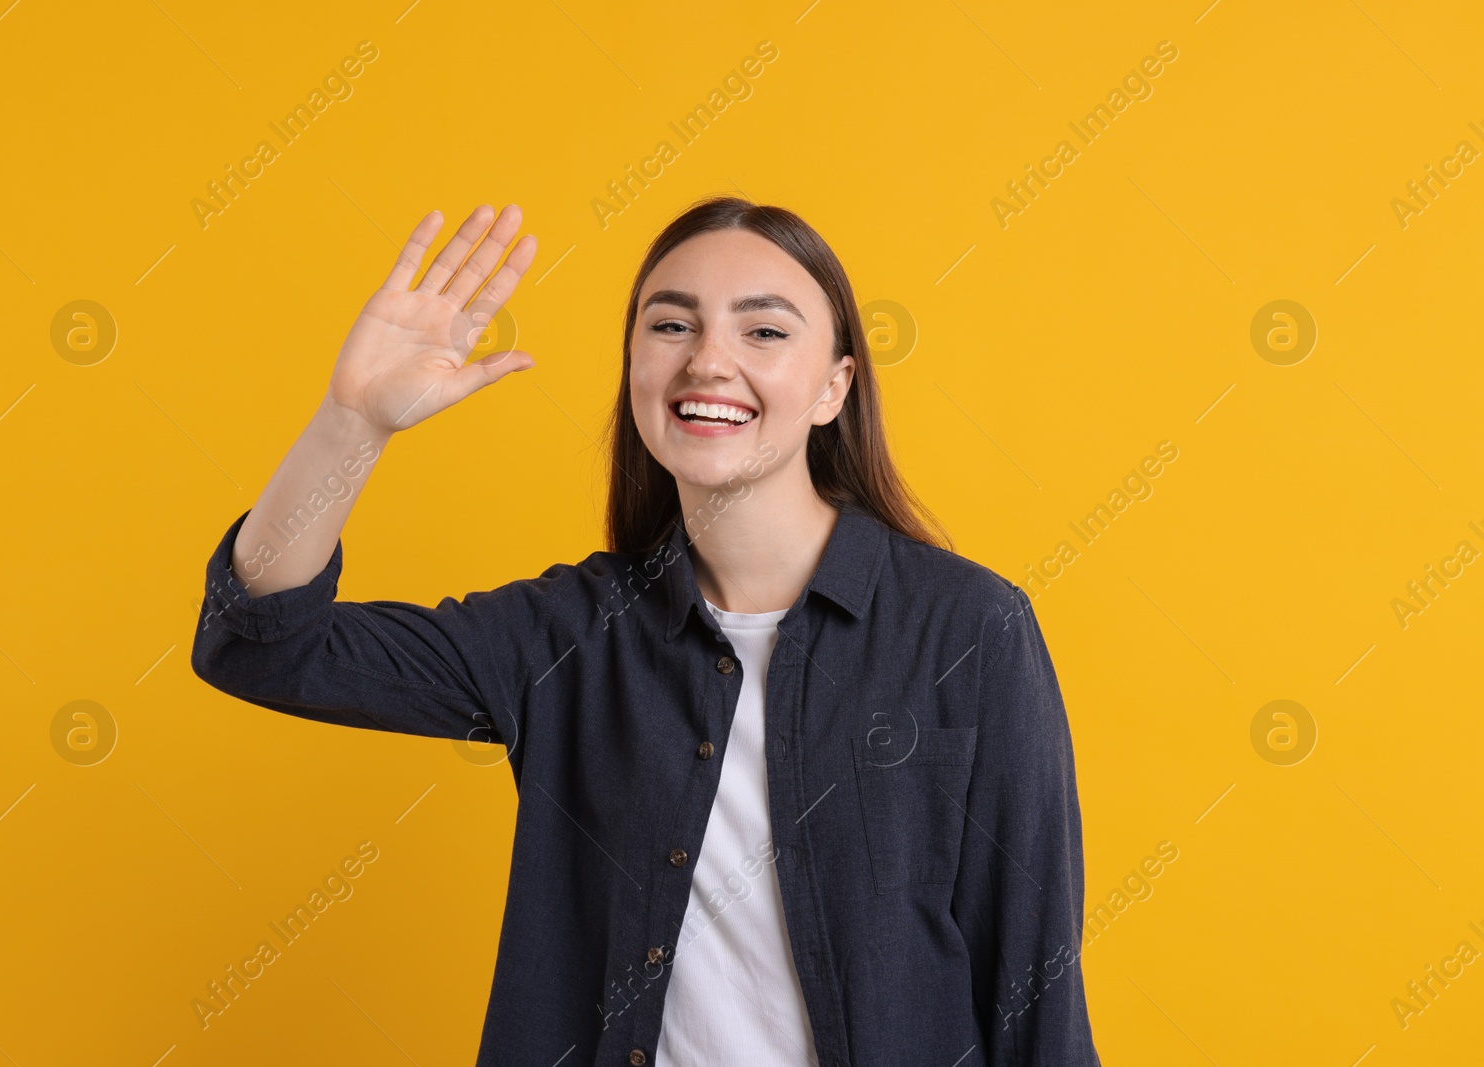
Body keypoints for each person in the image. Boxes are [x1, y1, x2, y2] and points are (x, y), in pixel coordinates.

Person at [191, 196, 1100, 1066]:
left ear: (834, 387)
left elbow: (1037, 992)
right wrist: (352, 423)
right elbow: (266, 644)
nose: (708, 360)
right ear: (633, 368)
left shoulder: (967, 627)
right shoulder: (571, 634)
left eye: (765, 330)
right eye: (671, 325)